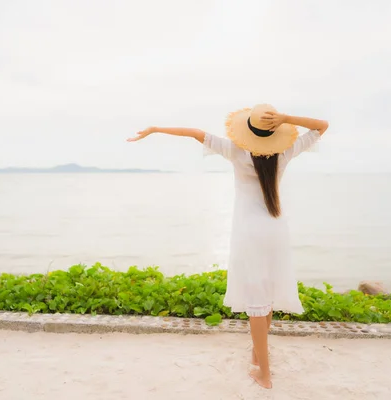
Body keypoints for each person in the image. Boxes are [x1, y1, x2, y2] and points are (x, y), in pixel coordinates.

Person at [127, 104, 329, 389]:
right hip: (275, 230)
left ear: (248, 132)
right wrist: (286, 119)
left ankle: (265, 375)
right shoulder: (285, 153)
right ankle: (257, 358)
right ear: (275, 134)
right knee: (267, 295)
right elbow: (322, 125)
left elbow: (194, 133)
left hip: (249, 232)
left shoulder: (236, 152)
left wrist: (155, 129)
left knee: (256, 300)